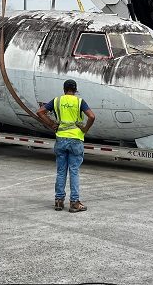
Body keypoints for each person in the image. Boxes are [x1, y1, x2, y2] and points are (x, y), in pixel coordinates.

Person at [36, 79, 96, 213]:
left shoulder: (57, 101)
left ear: (64, 89)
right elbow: (91, 116)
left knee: (61, 171)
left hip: (61, 138)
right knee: (74, 171)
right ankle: (74, 202)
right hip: (75, 139)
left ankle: (58, 201)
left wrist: (51, 124)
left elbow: (40, 112)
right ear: (75, 90)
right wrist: (85, 129)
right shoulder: (79, 102)